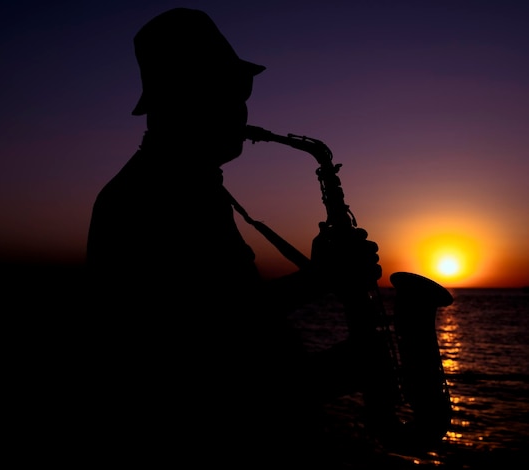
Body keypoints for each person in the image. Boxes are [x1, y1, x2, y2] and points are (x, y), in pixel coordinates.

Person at [85, 7, 381, 467]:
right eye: (229, 91)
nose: (243, 109)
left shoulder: (187, 185)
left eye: (242, 92)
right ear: (184, 98)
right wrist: (333, 367)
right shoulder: (154, 195)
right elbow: (197, 357)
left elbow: (228, 310)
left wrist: (320, 276)